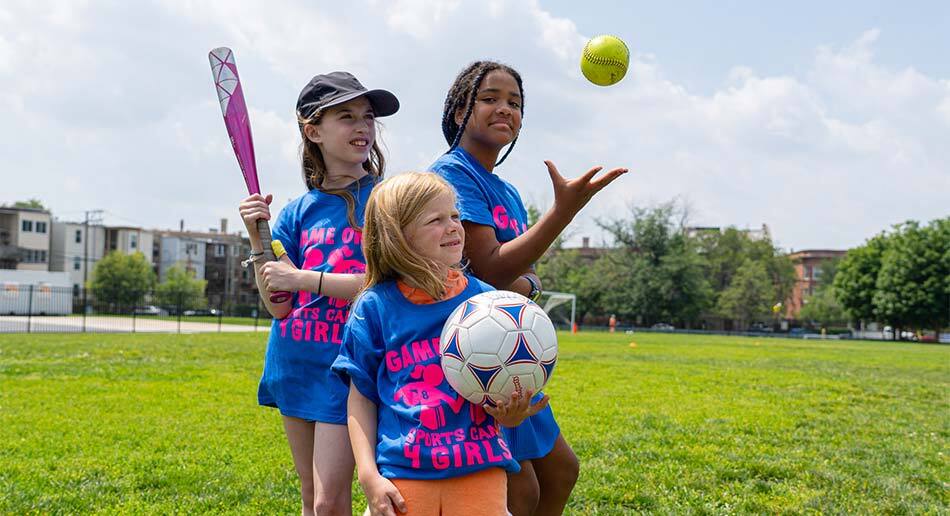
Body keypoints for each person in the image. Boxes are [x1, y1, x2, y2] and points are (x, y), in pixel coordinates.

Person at [430, 60, 628, 515]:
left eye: (515, 102)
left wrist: (525, 282)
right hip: (477, 356)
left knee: (561, 472)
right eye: (490, 98)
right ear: (461, 111)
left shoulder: (507, 191)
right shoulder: (451, 174)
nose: (505, 109)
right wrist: (562, 213)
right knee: (521, 493)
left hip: (512, 351)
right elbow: (495, 272)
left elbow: (524, 276)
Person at [332, 172, 542, 516]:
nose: (454, 227)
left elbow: (503, 396)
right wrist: (368, 475)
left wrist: (512, 414)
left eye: (455, 216)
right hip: (403, 475)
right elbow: (360, 398)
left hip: (480, 470)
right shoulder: (374, 307)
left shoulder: (488, 303)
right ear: (398, 236)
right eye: (436, 219)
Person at [238, 71, 399, 516]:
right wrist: (257, 239)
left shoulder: (387, 201)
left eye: (367, 117)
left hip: (347, 368)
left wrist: (305, 279)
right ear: (313, 131)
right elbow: (278, 305)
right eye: (346, 117)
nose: (363, 127)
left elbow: (385, 282)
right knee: (311, 498)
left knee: (331, 500)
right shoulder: (296, 212)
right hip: (294, 362)